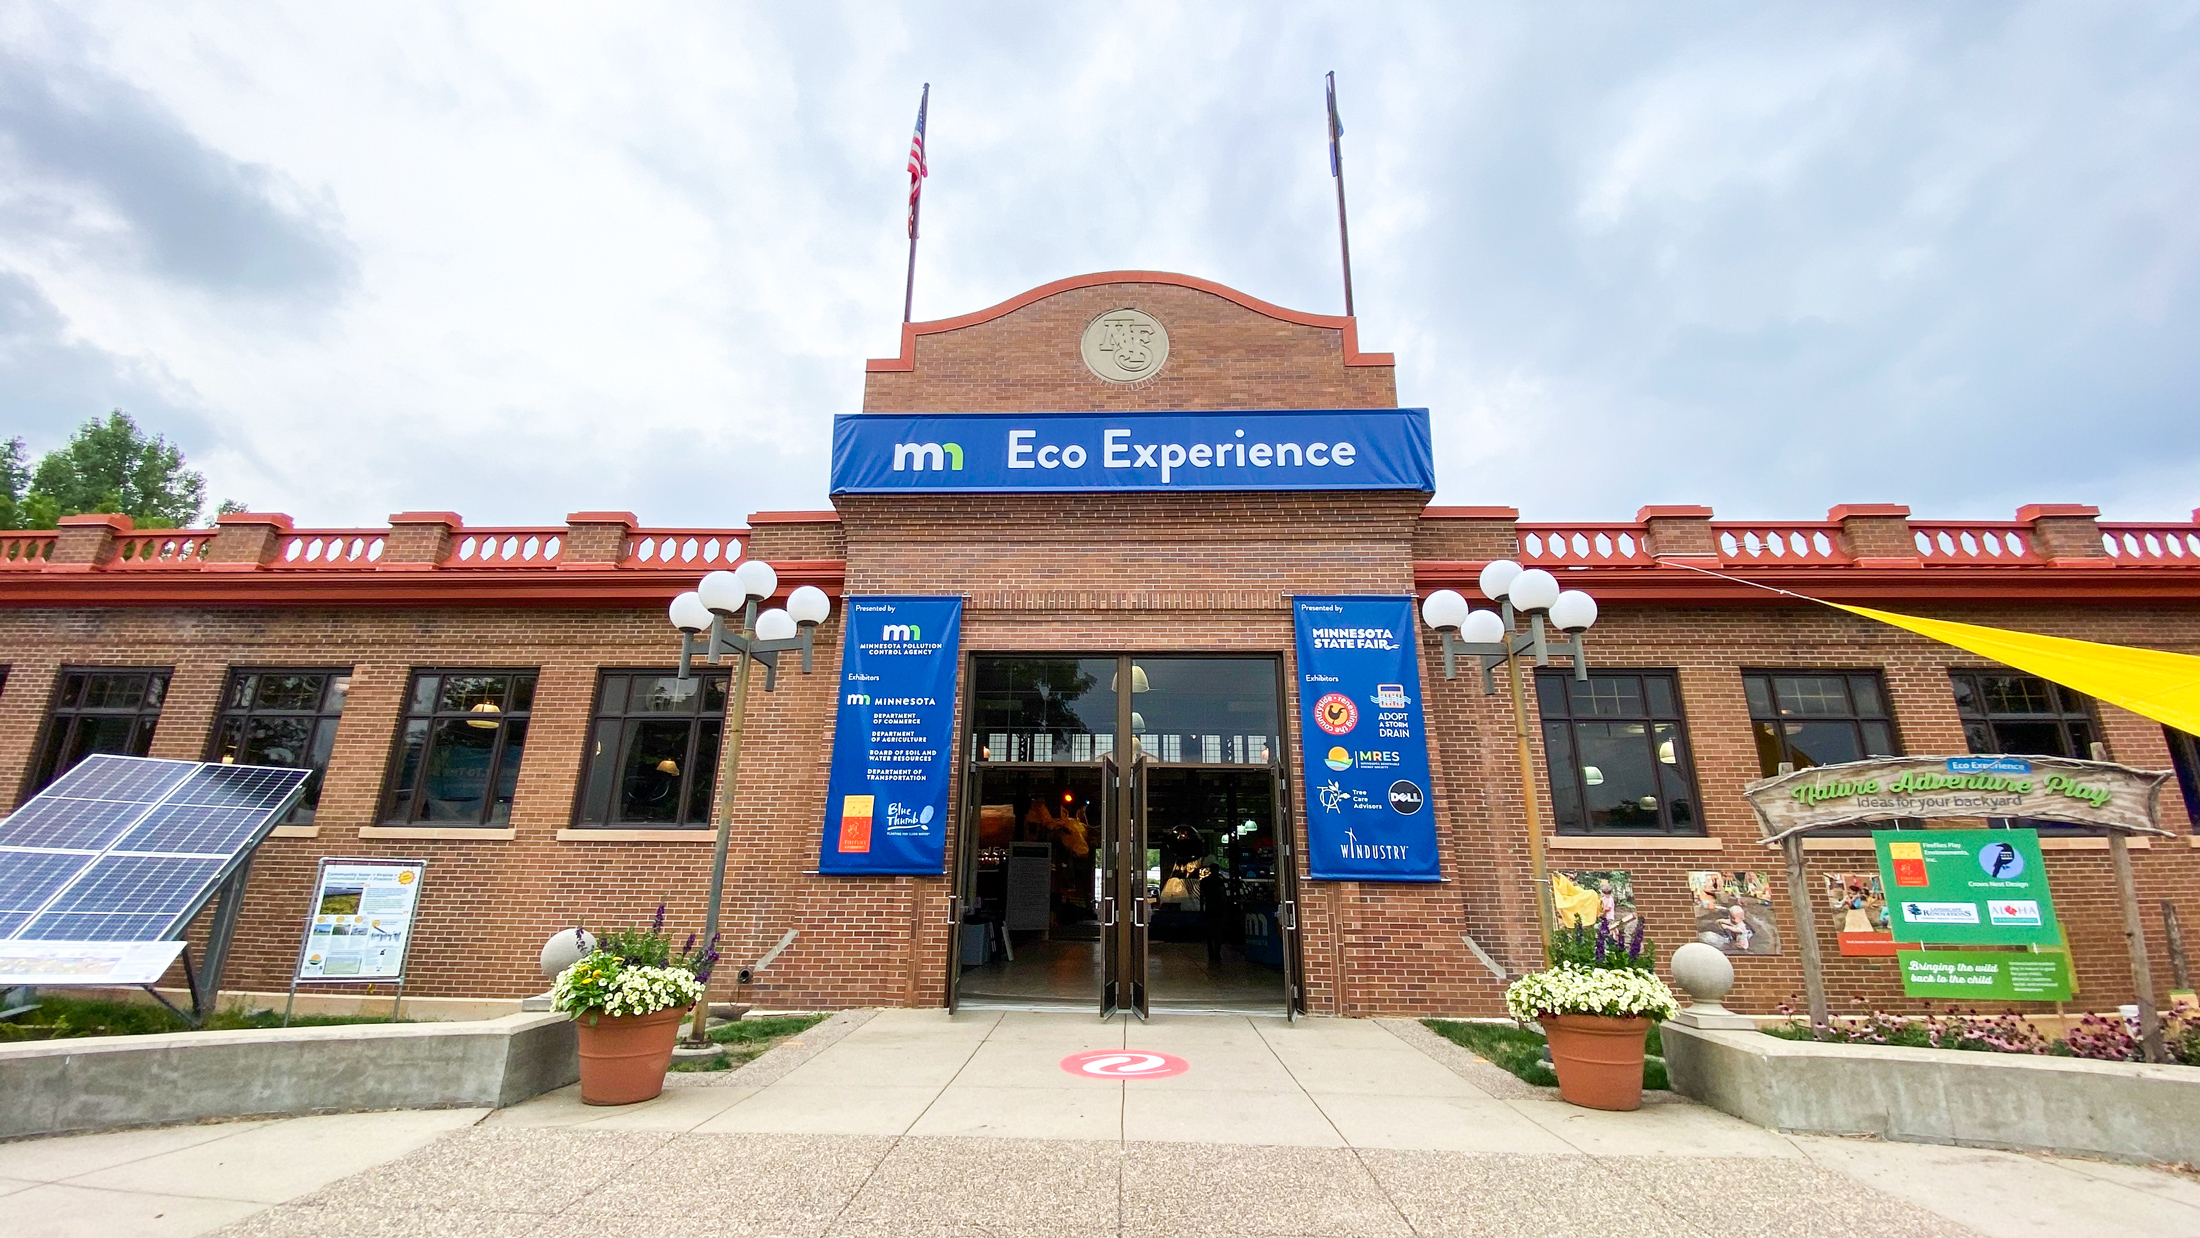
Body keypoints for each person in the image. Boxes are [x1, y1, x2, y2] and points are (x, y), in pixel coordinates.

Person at [1199, 865, 1232, 964]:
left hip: (1209, 908)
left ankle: (1211, 952)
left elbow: (1202, 896)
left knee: (1209, 932)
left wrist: (1201, 908)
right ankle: (1217, 953)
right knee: (1218, 932)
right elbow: (1223, 895)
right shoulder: (1220, 881)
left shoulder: (1204, 881)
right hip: (1219, 909)